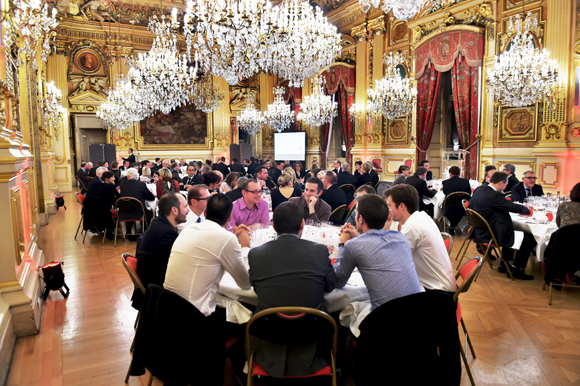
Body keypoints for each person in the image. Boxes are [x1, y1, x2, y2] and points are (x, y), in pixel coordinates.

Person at [248, 201, 334, 379]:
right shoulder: (319, 251)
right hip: (312, 335)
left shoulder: (256, 254)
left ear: (273, 226)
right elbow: (330, 285)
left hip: (268, 335)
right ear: (302, 224)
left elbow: (257, 288)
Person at [327, 194, 423, 310]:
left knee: (348, 311)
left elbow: (338, 281)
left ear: (360, 219)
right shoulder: (400, 237)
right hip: (418, 312)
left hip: (383, 320)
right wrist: (358, 237)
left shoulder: (353, 246)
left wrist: (343, 243)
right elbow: (374, 244)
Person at [164, 194, 252, 317]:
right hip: (195, 318)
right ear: (230, 216)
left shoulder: (188, 230)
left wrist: (232, 236)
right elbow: (245, 284)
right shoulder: (226, 238)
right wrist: (245, 246)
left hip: (169, 308)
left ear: (205, 213)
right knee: (247, 313)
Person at [384, 185, 457, 294]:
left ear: (401, 206)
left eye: (390, 206)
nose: (388, 210)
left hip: (439, 294)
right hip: (440, 287)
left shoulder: (412, 226)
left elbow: (390, 261)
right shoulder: (421, 217)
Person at [469, 172, 535, 280]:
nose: (505, 187)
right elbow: (513, 207)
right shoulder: (495, 196)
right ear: (501, 183)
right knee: (529, 238)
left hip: (479, 229)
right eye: (505, 185)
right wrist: (526, 209)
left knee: (509, 227)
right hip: (490, 233)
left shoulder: (480, 189)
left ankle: (504, 264)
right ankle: (515, 268)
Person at [132, 193, 188, 310]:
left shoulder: (159, 223)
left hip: (150, 281)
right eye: (185, 206)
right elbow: (179, 265)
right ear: (175, 210)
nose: (188, 210)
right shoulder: (167, 233)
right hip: (155, 290)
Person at [120, 168, 156, 239]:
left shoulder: (122, 185)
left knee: (130, 208)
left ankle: (128, 232)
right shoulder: (141, 185)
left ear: (128, 177)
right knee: (149, 212)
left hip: (124, 210)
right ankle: (145, 232)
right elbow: (151, 197)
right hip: (138, 210)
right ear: (137, 176)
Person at [442, 166, 472, 233]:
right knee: (460, 208)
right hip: (462, 207)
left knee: (444, 203)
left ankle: (452, 225)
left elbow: (445, 193)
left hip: (449, 207)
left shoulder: (445, 182)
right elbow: (469, 194)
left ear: (450, 174)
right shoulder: (466, 181)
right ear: (459, 174)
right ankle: (454, 225)